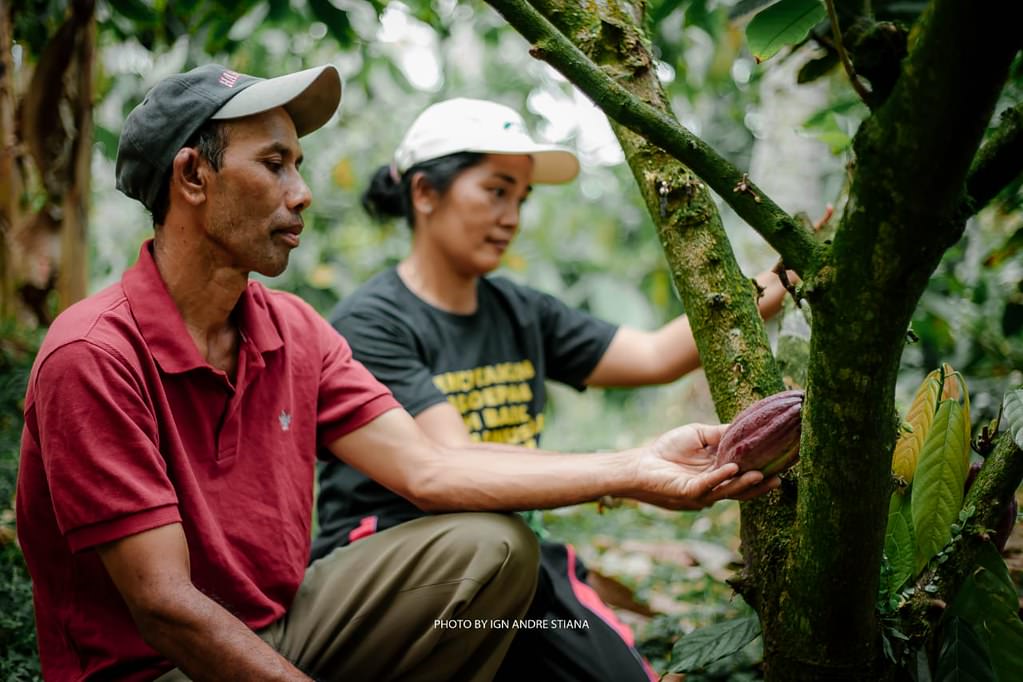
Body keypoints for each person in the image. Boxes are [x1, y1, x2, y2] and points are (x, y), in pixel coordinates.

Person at [15, 67, 778, 682]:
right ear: (191, 177)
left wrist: (640, 466)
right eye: (274, 165)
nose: (302, 192)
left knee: (494, 550)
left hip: (280, 626)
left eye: (299, 166)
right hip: (162, 667)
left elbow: (428, 466)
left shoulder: (294, 331)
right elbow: (165, 606)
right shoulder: (95, 355)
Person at [313, 98, 794, 681]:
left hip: (516, 549)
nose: (512, 215)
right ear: (424, 194)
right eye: (495, 190)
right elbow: (447, 466)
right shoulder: (373, 322)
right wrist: (632, 468)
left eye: (521, 197)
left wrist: (788, 278)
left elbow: (653, 353)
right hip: (405, 563)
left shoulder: (519, 310)